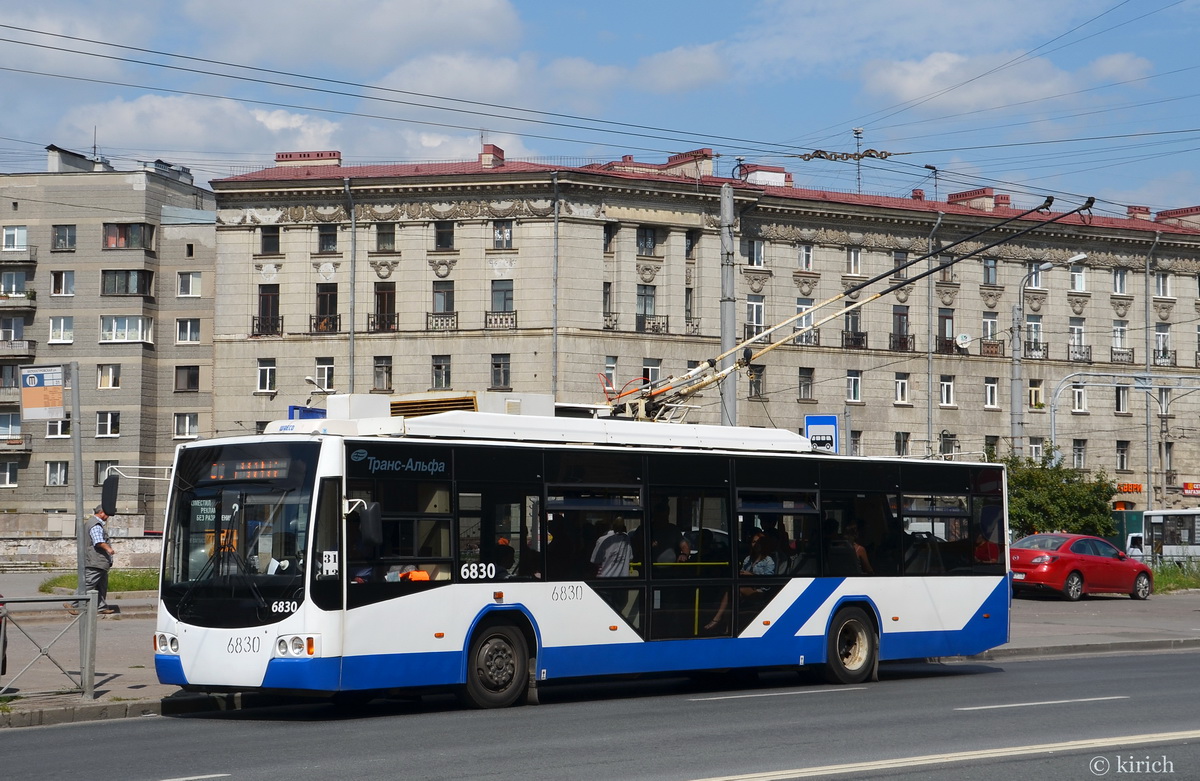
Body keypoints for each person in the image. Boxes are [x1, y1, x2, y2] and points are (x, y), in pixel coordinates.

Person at [66, 505, 118, 615]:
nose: (108, 516)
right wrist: (108, 549)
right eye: (107, 514)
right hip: (96, 560)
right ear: (101, 512)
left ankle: (101, 607)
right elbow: (98, 541)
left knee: (101, 585)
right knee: (89, 583)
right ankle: (72, 603)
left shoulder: (92, 523)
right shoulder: (95, 524)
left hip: (99, 561)